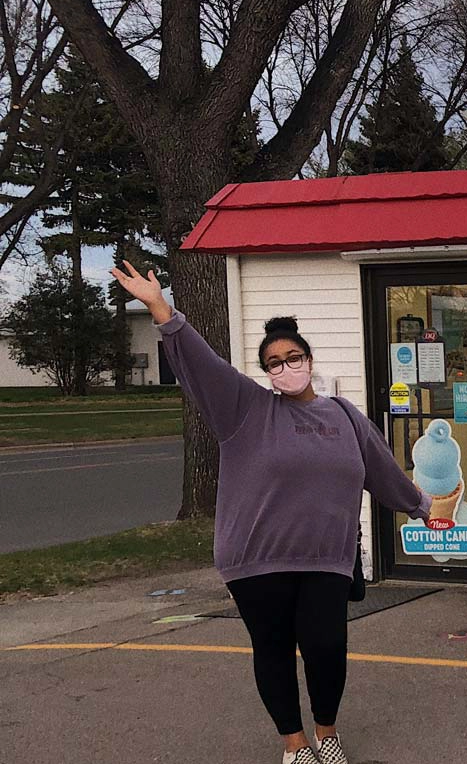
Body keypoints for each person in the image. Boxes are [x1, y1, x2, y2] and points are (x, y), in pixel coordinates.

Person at [112, 261, 431, 764]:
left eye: (294, 356)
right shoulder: (245, 408)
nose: (286, 366)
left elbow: (383, 471)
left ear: (309, 359)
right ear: (266, 371)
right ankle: (294, 744)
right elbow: (201, 364)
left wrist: (423, 508)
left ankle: (326, 732)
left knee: (327, 647)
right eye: (275, 361)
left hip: (325, 557)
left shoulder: (344, 415)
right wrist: (161, 309)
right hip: (256, 560)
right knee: (275, 650)